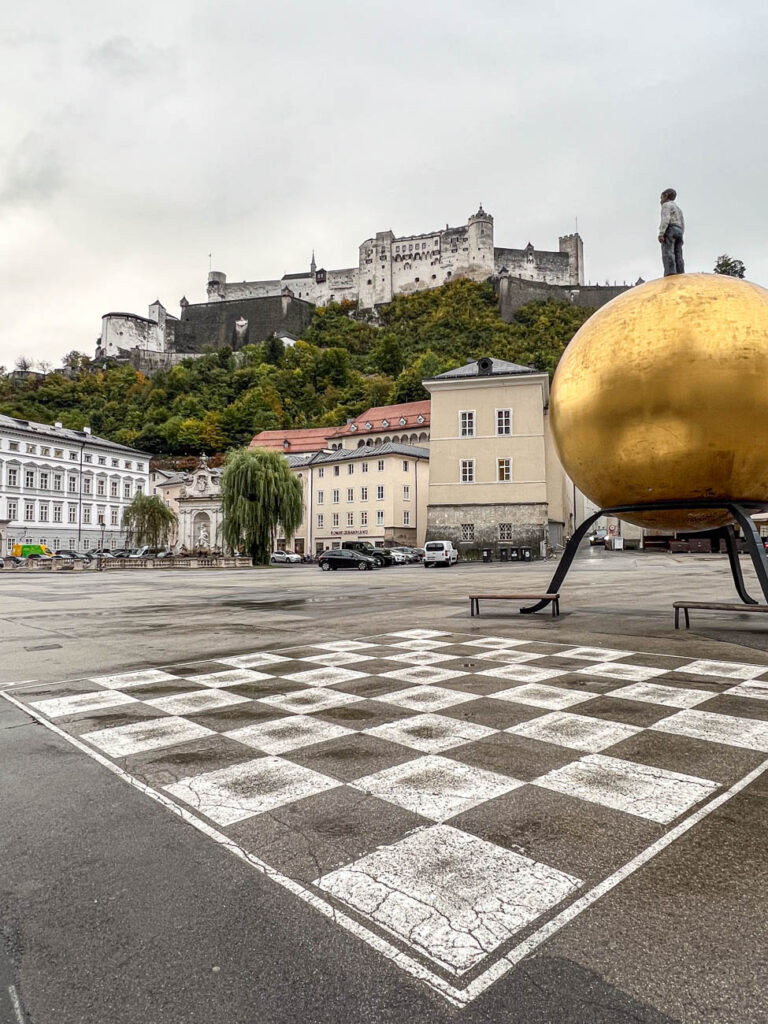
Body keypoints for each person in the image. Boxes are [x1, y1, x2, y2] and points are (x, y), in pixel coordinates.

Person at [658, 188, 685, 276]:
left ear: (666, 196)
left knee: (668, 252)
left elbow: (665, 219)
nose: (660, 200)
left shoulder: (666, 205)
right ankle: (680, 271)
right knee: (678, 253)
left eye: (661, 197)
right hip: (679, 230)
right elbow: (682, 223)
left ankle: (670, 272)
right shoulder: (678, 209)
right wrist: (681, 234)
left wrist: (661, 233)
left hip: (670, 229)